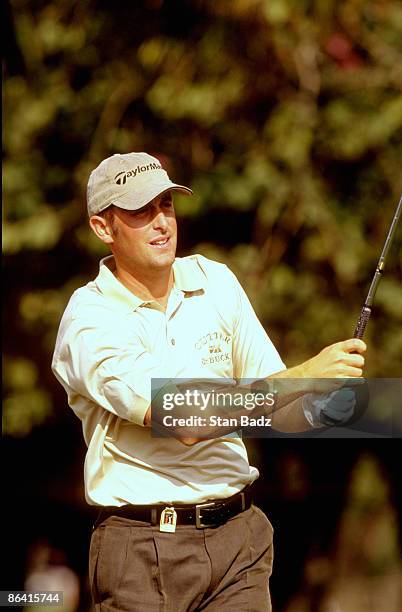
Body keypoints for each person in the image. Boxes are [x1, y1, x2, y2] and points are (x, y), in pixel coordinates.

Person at [52, 152, 366, 611]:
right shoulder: (89, 320)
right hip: (143, 551)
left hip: (240, 540)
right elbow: (183, 419)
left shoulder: (215, 281)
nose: (161, 222)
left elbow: (273, 408)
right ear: (104, 228)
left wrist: (326, 395)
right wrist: (303, 375)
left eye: (166, 205)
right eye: (141, 211)